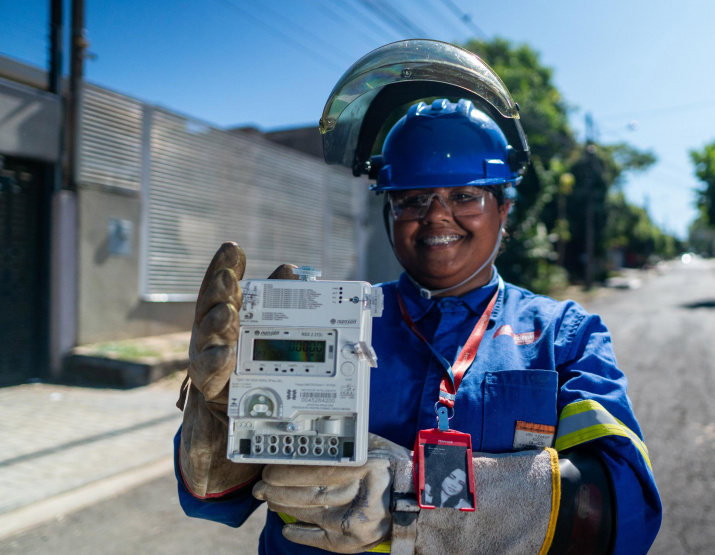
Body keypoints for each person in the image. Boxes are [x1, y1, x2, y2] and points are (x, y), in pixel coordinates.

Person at [174, 40, 661, 554]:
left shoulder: (566, 336)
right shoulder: (331, 323)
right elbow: (215, 499)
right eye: (412, 199)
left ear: (504, 210)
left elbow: (620, 508)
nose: (436, 215)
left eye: (464, 196)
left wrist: (409, 501)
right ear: (390, 212)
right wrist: (222, 421)